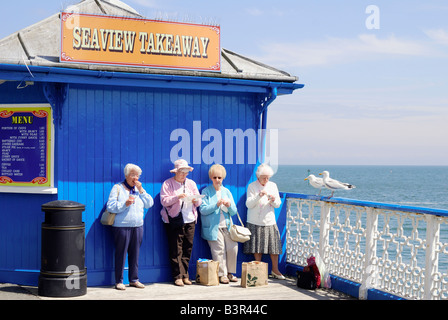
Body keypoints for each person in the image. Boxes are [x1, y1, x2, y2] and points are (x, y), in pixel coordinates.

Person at [106, 163, 154, 290]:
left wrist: (142, 191)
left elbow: (149, 203)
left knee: (135, 254)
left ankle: (134, 279)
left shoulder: (139, 190)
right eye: (132, 175)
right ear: (126, 175)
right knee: (121, 254)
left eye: (137, 175)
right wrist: (124, 204)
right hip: (121, 226)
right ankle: (119, 281)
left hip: (138, 226)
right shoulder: (118, 188)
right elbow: (110, 206)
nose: (135, 178)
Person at [160, 159, 202, 286]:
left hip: (190, 219)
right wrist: (177, 197)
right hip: (175, 219)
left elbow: (199, 202)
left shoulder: (191, 184)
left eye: (186, 172)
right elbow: (164, 201)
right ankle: (177, 276)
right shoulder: (168, 183)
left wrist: (195, 199)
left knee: (187, 248)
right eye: (181, 172)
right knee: (175, 248)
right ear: (176, 172)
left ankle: (185, 275)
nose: (184, 175)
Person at [244, 163, 285, 279]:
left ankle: (275, 270)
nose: (266, 180)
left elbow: (277, 204)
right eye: (264, 178)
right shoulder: (252, 186)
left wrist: (272, 199)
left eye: (268, 177)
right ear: (258, 177)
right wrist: (258, 196)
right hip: (255, 221)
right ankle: (259, 270)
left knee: (274, 247)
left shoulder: (273, 185)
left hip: (269, 221)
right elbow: (249, 204)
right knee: (257, 247)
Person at [200, 164, 239, 284]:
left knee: (233, 248)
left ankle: (230, 272)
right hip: (213, 227)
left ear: (223, 178)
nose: (217, 180)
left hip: (227, 225)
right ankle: (222, 274)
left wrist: (229, 205)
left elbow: (234, 211)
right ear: (211, 178)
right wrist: (216, 205)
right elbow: (203, 209)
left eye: (219, 177)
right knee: (219, 250)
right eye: (215, 177)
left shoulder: (227, 191)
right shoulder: (206, 191)